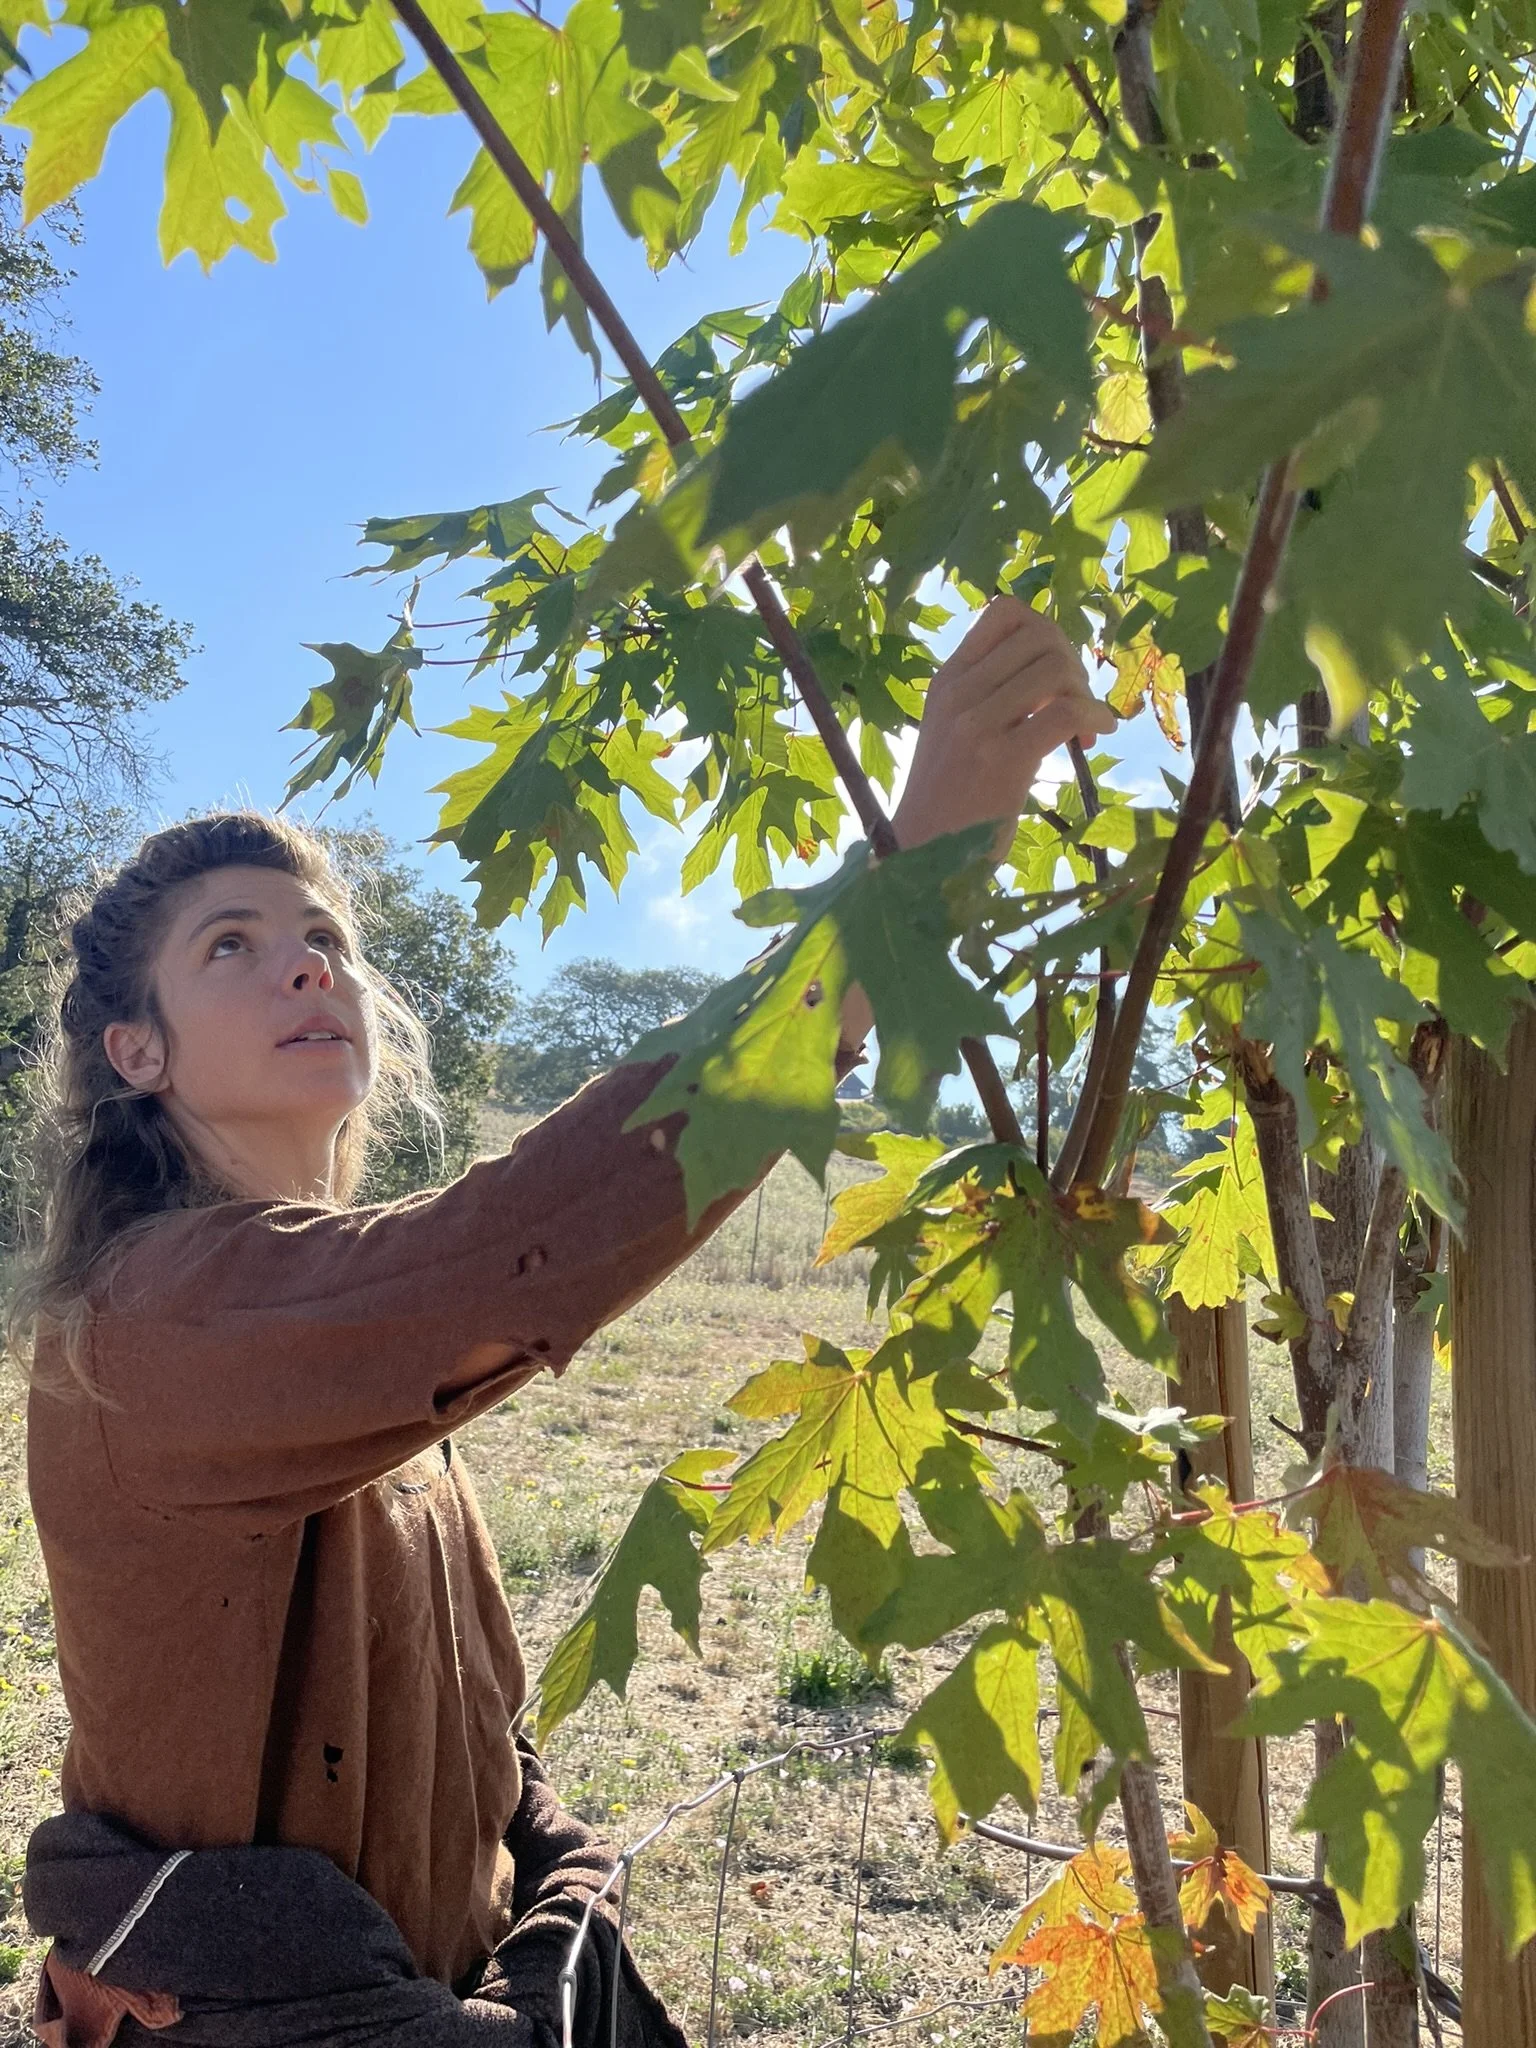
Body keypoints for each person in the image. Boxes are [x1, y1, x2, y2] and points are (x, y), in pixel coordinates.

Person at [10, 597, 1111, 2048]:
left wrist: (556, 1875)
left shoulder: (342, 1327)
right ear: (135, 1052)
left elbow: (476, 1717)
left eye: (322, 937)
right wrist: (885, 904)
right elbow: (505, 1251)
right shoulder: (157, 1319)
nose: (307, 964)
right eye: (233, 945)